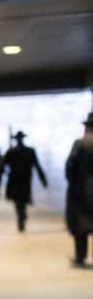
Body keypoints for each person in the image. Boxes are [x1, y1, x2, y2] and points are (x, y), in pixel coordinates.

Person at [0, 131, 48, 232]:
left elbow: (1, 167)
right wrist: (43, 180)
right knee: (21, 199)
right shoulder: (28, 151)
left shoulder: (12, 152)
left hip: (16, 180)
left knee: (19, 200)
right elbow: (37, 166)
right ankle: (22, 216)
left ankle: (21, 216)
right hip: (24, 180)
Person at [65, 112, 93, 268]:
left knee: (81, 224)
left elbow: (70, 165)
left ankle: (81, 255)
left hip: (82, 190)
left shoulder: (80, 144)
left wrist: (73, 184)